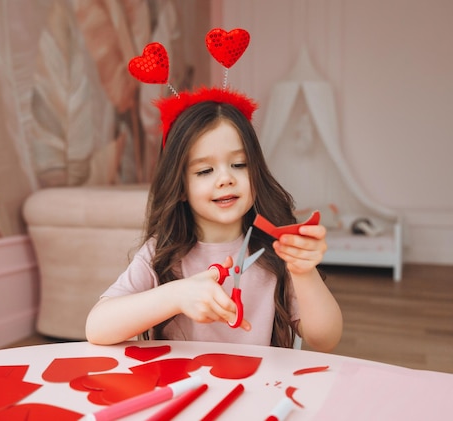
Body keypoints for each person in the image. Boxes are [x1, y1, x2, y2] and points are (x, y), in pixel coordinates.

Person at [85, 88, 343, 352]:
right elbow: (96, 327)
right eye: (205, 170)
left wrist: (304, 272)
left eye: (239, 165)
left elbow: (326, 339)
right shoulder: (160, 254)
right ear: (181, 187)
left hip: (261, 389)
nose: (225, 178)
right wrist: (176, 296)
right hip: (181, 389)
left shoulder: (276, 251)